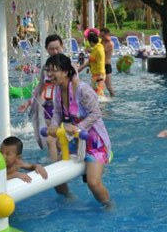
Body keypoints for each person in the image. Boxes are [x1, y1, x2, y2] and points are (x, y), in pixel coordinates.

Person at [45, 53, 111, 205]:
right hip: (75, 142)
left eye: (53, 70)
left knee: (93, 183)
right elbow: (58, 112)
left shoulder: (83, 89)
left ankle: (109, 206)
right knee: (56, 178)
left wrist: (78, 127)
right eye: (48, 70)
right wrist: (54, 126)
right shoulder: (58, 90)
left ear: (65, 71)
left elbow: (96, 113)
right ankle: (68, 199)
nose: (49, 74)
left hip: (94, 143)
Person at [18, 34, 67, 161]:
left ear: (62, 47)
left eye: (57, 48)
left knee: (59, 140)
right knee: (52, 139)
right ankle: (56, 164)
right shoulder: (46, 68)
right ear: (46, 49)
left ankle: (61, 162)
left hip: (65, 108)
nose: (55, 51)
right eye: (51, 49)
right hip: (50, 107)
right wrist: (29, 103)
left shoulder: (68, 66)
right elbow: (40, 88)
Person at [84, 29, 106, 96]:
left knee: (99, 94)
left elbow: (100, 63)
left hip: (99, 75)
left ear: (91, 41)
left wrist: (100, 77)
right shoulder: (96, 48)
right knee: (95, 93)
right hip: (95, 74)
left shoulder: (99, 50)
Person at [100, 27, 116, 97]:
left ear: (108, 34)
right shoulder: (101, 42)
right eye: (101, 36)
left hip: (107, 66)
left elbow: (102, 51)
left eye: (103, 36)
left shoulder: (110, 44)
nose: (102, 37)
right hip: (100, 66)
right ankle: (101, 97)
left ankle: (113, 97)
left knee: (108, 86)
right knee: (99, 84)